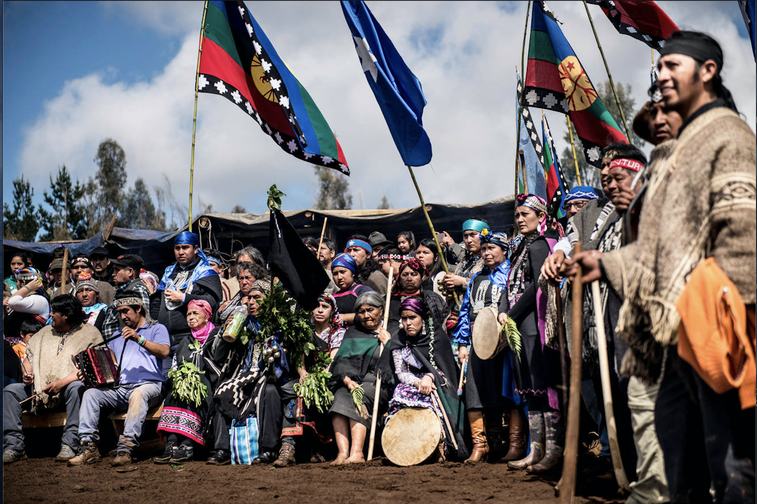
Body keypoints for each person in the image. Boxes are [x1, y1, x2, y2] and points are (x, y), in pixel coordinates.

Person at [566, 31, 755, 504]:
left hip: (714, 330)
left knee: (733, 473)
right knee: (681, 471)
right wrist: (603, 262)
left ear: (707, 71)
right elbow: (658, 249)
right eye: (660, 66)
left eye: (674, 65)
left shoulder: (728, 135)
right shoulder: (671, 159)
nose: (662, 75)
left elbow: (743, 235)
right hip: (668, 338)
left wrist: (731, 318)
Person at [68, 290, 170, 467]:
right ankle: (88, 447)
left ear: (138, 308)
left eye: (126, 311)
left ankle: (126, 448)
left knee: (138, 394)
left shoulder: (156, 328)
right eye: (120, 312)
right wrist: (88, 370)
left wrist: (140, 339)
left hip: (150, 386)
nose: (122, 316)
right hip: (121, 389)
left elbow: (164, 351)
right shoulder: (118, 336)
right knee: (91, 394)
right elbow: (110, 367)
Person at [498, 194, 563, 472]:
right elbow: (508, 285)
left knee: (542, 383)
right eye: (517, 215)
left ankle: (554, 451)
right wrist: (503, 310)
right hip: (518, 324)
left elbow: (538, 285)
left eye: (526, 214)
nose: (520, 219)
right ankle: (536, 451)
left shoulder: (539, 245)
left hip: (534, 322)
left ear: (540, 216)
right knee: (529, 388)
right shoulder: (520, 247)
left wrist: (511, 314)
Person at [3, 295, 102, 464]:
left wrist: (61, 383)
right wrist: (28, 372)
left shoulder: (90, 334)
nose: (50, 314)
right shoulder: (43, 333)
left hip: (68, 390)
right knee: (10, 391)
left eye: (54, 311)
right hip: (39, 391)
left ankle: (70, 443)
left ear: (66, 315)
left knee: (78, 387)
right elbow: (29, 357)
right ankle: (14, 446)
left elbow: (89, 368)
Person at [454, 230, 521, 464]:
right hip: (477, 341)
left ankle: (513, 444)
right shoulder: (476, 277)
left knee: (508, 393)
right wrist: (463, 342)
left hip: (504, 342)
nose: (486, 253)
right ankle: (479, 446)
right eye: (483, 249)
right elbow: (464, 310)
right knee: (474, 392)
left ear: (505, 250)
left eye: (491, 248)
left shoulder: (512, 274)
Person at [386, 297, 467, 461]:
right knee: (399, 396)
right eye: (404, 318)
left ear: (422, 317)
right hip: (411, 384)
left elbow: (446, 368)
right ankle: (405, 450)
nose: (408, 323)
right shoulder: (398, 339)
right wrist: (417, 382)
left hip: (438, 383)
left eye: (412, 317)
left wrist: (430, 377)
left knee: (435, 404)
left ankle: (439, 447)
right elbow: (400, 372)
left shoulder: (436, 336)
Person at [155, 299, 235, 463]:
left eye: (195, 313)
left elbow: (222, 363)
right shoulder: (185, 341)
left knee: (194, 389)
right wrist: (179, 379)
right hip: (188, 387)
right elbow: (176, 366)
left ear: (206, 317)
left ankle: (186, 444)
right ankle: (172, 444)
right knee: (175, 391)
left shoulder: (217, 335)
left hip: (212, 386)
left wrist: (196, 379)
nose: (191, 317)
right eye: (188, 314)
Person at [272, 294, 347, 467]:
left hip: (328, 377)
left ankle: (309, 445)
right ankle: (288, 447)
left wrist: (319, 377)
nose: (320, 310)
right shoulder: (304, 329)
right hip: (306, 376)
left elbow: (332, 362)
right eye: (317, 306)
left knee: (304, 396)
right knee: (294, 392)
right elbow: (300, 358)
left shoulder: (338, 333)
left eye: (325, 307)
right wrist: (302, 372)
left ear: (332, 310)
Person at [328, 291, 393, 465]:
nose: (366, 315)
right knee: (340, 397)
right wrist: (348, 381)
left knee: (360, 396)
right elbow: (341, 363)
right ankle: (342, 453)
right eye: (362, 312)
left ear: (380, 310)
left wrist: (388, 344)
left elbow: (400, 361)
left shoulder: (392, 331)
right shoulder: (353, 333)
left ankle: (357, 453)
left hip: (379, 383)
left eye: (370, 310)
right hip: (352, 381)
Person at [151, 231, 223, 353]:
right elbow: (157, 301)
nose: (181, 252)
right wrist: (156, 325)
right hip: (164, 340)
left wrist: (184, 298)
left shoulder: (205, 272)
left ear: (195, 249)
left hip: (191, 339)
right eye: (177, 248)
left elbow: (213, 301)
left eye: (185, 247)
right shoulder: (169, 272)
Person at [441, 218, 489, 333]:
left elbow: (489, 284)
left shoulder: (489, 258)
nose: (469, 240)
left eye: (473, 235)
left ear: (483, 234)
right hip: (455, 317)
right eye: (465, 236)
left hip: (475, 318)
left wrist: (463, 282)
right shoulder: (465, 260)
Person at [386, 259, 448, 338]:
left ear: (422, 277)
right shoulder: (389, 300)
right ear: (399, 278)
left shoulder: (432, 299)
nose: (409, 278)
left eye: (414, 274)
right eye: (405, 275)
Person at [5, 268, 51, 341]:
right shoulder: (24, 300)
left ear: (23, 283)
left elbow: (12, 302)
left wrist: (28, 287)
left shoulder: (39, 300)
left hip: (26, 349)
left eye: (17, 281)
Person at [331, 253, 373, 327]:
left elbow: (372, 313)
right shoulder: (333, 296)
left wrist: (344, 317)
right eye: (335, 274)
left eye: (342, 272)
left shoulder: (363, 291)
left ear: (352, 273)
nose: (339, 277)